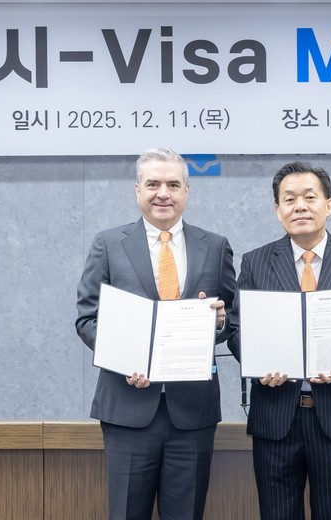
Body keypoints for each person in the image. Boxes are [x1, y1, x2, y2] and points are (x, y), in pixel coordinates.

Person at [75, 147, 237, 520]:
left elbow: (233, 319)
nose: (163, 193)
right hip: (127, 409)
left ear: (186, 191)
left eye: (173, 184)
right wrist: (125, 358)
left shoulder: (215, 246)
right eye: (153, 184)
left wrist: (219, 322)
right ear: (138, 190)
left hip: (192, 413)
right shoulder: (108, 244)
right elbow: (87, 318)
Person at [228, 161, 331, 520]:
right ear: (278, 210)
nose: (299, 206)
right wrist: (257, 364)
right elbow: (238, 331)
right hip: (276, 418)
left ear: (329, 205)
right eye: (289, 199)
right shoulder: (255, 262)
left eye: (309, 197)